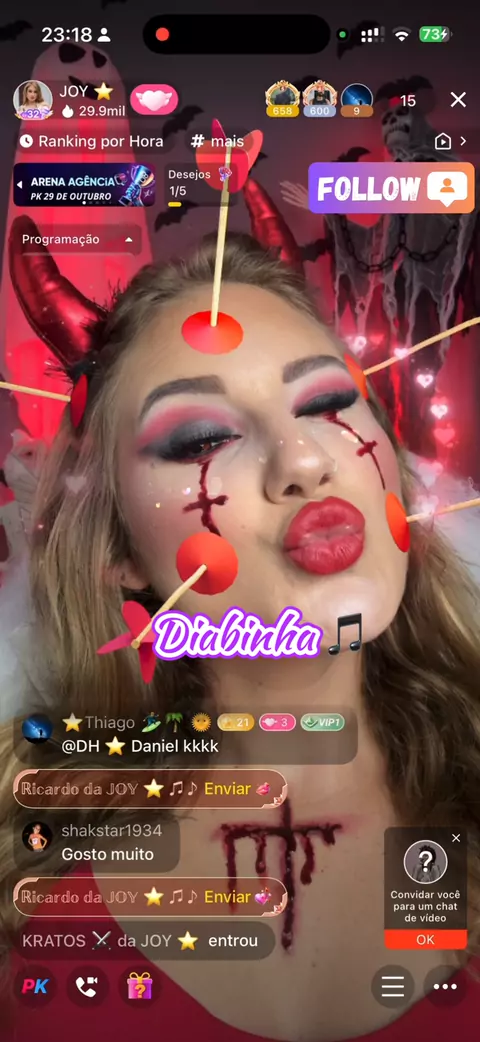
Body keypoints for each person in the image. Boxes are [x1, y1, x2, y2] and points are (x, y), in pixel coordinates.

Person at [0, 229, 480, 1042]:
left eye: (326, 403)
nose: (303, 461)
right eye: (202, 439)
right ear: (119, 550)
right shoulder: (31, 865)